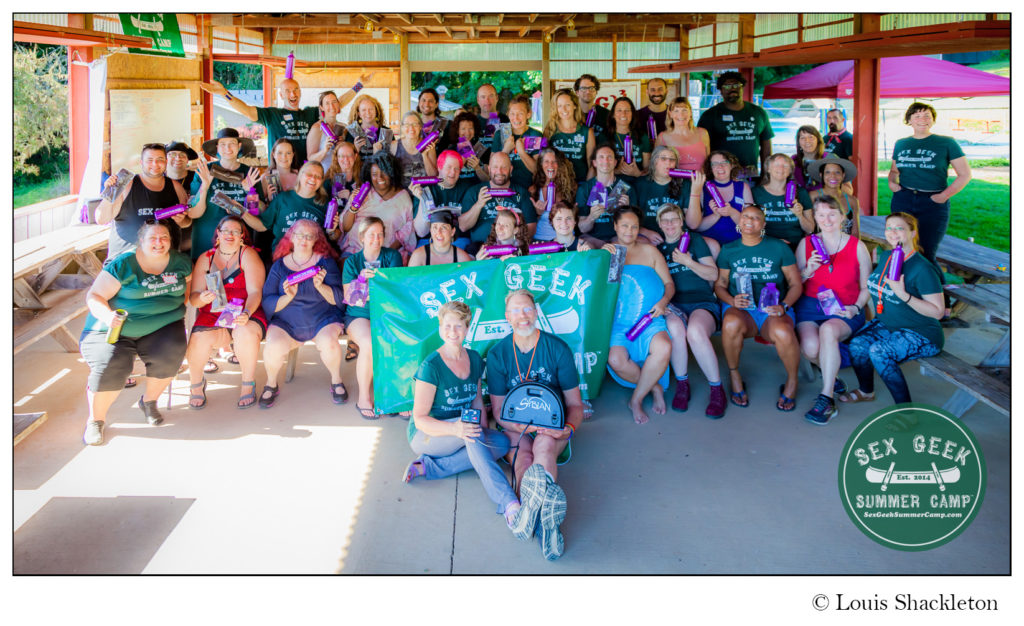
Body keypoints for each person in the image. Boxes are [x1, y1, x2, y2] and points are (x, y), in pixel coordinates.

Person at [403, 301, 523, 530]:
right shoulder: (431, 367)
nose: (452, 332)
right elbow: (420, 418)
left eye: (458, 326)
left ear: (467, 329)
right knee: (471, 432)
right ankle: (508, 503)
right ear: (440, 327)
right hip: (427, 434)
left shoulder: (475, 358)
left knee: (501, 443)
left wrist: (482, 429)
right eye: (447, 326)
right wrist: (455, 429)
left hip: (462, 427)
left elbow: (477, 400)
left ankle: (428, 468)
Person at [486, 289, 584, 560]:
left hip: (552, 425)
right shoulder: (498, 354)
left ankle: (535, 521)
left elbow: (576, 406)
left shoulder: (557, 349)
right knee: (522, 456)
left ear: (536, 311)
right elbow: (498, 411)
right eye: (516, 311)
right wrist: (525, 428)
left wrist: (569, 428)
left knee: (543, 446)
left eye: (527, 309)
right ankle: (543, 523)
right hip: (515, 425)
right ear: (507, 317)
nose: (523, 316)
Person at [79, 220, 192, 445]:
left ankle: (149, 402)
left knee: (172, 351)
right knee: (111, 362)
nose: (159, 243)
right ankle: (96, 420)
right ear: (140, 241)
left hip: (162, 325)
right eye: (152, 238)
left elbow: (185, 295)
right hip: (113, 328)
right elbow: (94, 297)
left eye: (164, 238)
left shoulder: (182, 263)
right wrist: (107, 316)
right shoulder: (124, 264)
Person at [840, 212, 945, 406]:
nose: (892, 233)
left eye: (899, 228)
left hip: (921, 333)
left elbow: (938, 312)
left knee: (879, 352)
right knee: (857, 344)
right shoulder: (888, 256)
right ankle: (866, 391)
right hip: (889, 324)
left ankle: (905, 409)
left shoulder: (923, 269)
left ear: (913, 233)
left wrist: (903, 294)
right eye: (889, 228)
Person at [715, 205, 803, 411]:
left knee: (782, 330)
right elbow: (719, 284)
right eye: (745, 216)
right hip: (742, 310)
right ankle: (734, 374)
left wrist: (784, 306)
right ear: (739, 221)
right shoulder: (728, 249)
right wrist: (731, 300)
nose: (749, 221)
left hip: (773, 310)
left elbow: (796, 283)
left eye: (755, 218)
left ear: (763, 225)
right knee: (730, 323)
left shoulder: (779, 248)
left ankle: (792, 380)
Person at [794, 196, 871, 424]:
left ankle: (826, 397)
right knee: (810, 348)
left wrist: (856, 307)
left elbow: (867, 287)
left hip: (845, 308)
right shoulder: (806, 244)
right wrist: (808, 270)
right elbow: (795, 282)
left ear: (841, 217)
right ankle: (832, 372)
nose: (826, 219)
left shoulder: (857, 246)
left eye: (831, 214)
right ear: (815, 218)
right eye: (821, 215)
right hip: (810, 306)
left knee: (828, 331)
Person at [259, 220, 347, 409]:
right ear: (291, 236)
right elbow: (267, 300)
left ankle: (336, 380)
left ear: (316, 239)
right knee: (273, 346)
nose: (304, 240)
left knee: (330, 344)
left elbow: (339, 299)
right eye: (300, 235)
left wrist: (320, 287)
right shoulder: (279, 266)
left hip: (322, 319)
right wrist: (286, 297)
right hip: (286, 322)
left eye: (309, 236)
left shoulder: (325, 263)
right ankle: (271, 383)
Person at [185, 215, 268, 410]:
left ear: (242, 236)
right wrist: (202, 298)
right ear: (218, 235)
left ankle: (248, 382)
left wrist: (247, 312)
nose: (230, 234)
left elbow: (256, 292)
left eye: (235, 231)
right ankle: (196, 384)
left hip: (246, 310)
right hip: (213, 314)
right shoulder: (205, 258)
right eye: (226, 231)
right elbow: (194, 298)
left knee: (245, 332)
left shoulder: (247, 255)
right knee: (198, 339)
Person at [200, 72, 366, 164]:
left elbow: (335, 104)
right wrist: (225, 94)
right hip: (280, 171)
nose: (292, 94)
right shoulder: (272, 115)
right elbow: (247, 111)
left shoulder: (310, 113)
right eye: (287, 91)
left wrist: (358, 85)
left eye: (296, 89)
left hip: (305, 171)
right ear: (281, 94)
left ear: (300, 91)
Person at [655, 204, 726, 418]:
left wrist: (688, 261)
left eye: (674, 219)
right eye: (665, 220)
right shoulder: (658, 250)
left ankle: (716, 389)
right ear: (659, 224)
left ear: (681, 221)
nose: (669, 224)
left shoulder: (694, 241)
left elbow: (713, 275)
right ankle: (683, 384)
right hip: (674, 304)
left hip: (702, 302)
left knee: (695, 331)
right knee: (676, 329)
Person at [605, 207, 674, 424]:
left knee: (663, 347)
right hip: (619, 322)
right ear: (615, 226)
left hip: (649, 320)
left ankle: (636, 399)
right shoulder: (608, 254)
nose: (629, 230)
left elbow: (669, 284)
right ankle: (654, 386)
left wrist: (663, 302)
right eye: (624, 225)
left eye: (634, 226)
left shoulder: (651, 252)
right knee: (615, 359)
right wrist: (600, 258)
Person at [887, 102, 971, 270]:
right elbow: (894, 170)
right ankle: (903, 290)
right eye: (917, 116)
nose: (922, 119)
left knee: (926, 253)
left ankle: (937, 294)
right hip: (903, 199)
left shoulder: (946, 142)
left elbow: (965, 174)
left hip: (932, 202)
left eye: (927, 115)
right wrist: (892, 182)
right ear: (909, 120)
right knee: (901, 249)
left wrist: (943, 196)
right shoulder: (901, 143)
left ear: (933, 120)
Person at [342, 217, 404, 419]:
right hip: (359, 315)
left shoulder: (392, 256)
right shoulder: (352, 262)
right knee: (369, 344)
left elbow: (395, 291)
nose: (376, 239)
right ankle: (363, 398)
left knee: (398, 340)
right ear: (361, 238)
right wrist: (361, 280)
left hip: (387, 312)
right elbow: (350, 299)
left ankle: (394, 397)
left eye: (380, 234)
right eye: (371, 235)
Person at [96, 143, 191, 261]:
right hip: (127, 262)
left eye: (159, 159)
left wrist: (182, 220)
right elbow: (101, 219)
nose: (155, 164)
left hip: (164, 262)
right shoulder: (126, 185)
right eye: (149, 160)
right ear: (141, 163)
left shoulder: (176, 188)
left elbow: (186, 222)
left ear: (166, 162)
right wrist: (110, 191)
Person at [187, 128, 265, 262]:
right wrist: (205, 185)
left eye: (232, 143)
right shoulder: (205, 171)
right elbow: (193, 213)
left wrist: (249, 191)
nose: (227, 148)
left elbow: (259, 211)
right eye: (222, 144)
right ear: (217, 148)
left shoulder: (249, 173)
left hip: (239, 243)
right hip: (206, 242)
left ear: (239, 146)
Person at [339, 152, 416, 261]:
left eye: (384, 172)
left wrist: (383, 255)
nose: (379, 177)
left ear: (392, 172)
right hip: (356, 252)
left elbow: (406, 232)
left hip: (387, 255)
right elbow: (346, 227)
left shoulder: (403, 197)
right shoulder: (362, 193)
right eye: (374, 174)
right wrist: (353, 207)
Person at [253, 161, 340, 256]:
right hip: (284, 255)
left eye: (318, 176)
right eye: (309, 174)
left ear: (321, 181)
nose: (313, 179)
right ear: (300, 175)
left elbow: (334, 238)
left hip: (313, 257)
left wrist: (331, 232)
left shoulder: (326, 204)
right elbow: (261, 226)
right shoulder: (282, 198)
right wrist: (241, 212)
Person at [697, 71, 773, 178]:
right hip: (720, 175)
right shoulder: (709, 116)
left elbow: (766, 148)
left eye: (736, 85)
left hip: (750, 174)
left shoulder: (758, 113)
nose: (732, 88)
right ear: (721, 90)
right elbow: (701, 150)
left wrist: (766, 175)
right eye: (727, 86)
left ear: (742, 87)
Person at [460, 151, 537, 253]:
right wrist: (478, 205)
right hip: (480, 249)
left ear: (511, 170)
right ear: (489, 169)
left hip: (512, 249)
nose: (499, 171)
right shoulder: (474, 191)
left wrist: (512, 244)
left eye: (504, 167)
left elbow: (531, 227)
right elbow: (463, 226)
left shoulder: (521, 193)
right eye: (495, 167)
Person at [635, 145, 703, 243]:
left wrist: (695, 193)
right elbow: (629, 218)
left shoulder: (685, 184)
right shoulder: (639, 184)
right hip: (648, 237)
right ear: (654, 162)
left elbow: (693, 224)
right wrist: (646, 232)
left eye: (672, 159)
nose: (668, 163)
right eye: (663, 159)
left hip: (678, 236)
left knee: (712, 246)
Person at [410, 150, 475, 248]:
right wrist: (422, 199)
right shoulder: (425, 188)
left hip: (458, 241)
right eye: (449, 167)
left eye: (457, 169)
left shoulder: (467, 187)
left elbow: (465, 226)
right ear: (439, 167)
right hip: (430, 241)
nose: (453, 172)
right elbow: (421, 232)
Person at [575, 144, 638, 242]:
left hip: (619, 239)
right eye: (601, 157)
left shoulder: (627, 188)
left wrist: (626, 210)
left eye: (609, 157)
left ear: (615, 163)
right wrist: (591, 217)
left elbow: (635, 227)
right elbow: (582, 229)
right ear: (594, 163)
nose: (606, 161)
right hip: (592, 239)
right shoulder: (584, 189)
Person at [753, 153, 814, 250]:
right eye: (776, 165)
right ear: (768, 169)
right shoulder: (755, 193)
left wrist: (800, 215)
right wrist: (772, 241)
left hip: (796, 246)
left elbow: (810, 229)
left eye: (785, 165)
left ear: (790, 171)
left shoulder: (801, 193)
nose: (781, 168)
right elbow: (747, 228)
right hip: (765, 245)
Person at [692, 150, 753, 246]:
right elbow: (696, 227)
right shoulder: (702, 188)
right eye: (715, 164)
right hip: (710, 246)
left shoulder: (743, 187)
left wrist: (732, 212)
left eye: (724, 162)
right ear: (711, 168)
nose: (720, 167)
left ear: (731, 165)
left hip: (738, 244)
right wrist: (716, 215)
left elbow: (751, 224)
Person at [543, 88, 596, 183]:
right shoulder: (550, 129)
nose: (563, 109)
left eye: (567, 105)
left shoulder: (587, 132)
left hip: (580, 183)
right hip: (556, 184)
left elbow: (592, 165)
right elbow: (543, 161)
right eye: (559, 106)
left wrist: (586, 188)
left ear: (574, 105)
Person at [491, 94, 542, 189]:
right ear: (508, 114)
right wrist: (505, 150)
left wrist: (522, 152)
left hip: (528, 188)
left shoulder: (534, 135)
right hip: (504, 188)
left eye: (520, 114)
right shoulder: (500, 134)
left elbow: (537, 170)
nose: (516, 118)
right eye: (512, 114)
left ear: (528, 114)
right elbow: (491, 169)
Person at [528, 147, 577, 242]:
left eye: (554, 161)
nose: (550, 165)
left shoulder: (571, 188)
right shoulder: (534, 190)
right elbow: (529, 222)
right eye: (546, 161)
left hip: (566, 240)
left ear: (560, 165)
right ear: (541, 165)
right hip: (542, 239)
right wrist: (538, 213)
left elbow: (576, 218)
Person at [808, 154, 861, 238]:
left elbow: (855, 233)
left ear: (843, 175)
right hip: (820, 248)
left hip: (845, 247)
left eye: (837, 172)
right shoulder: (813, 196)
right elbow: (808, 229)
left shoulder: (852, 201)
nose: (832, 176)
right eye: (827, 172)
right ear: (821, 175)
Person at [604, 96, 651, 183]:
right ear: (613, 114)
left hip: (638, 183)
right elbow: (597, 168)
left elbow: (648, 169)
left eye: (627, 110)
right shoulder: (604, 136)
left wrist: (637, 173)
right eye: (619, 110)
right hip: (612, 184)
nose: (623, 114)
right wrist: (616, 171)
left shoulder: (642, 137)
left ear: (632, 114)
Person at [656, 97, 710, 172]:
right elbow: (657, 166)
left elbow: (709, 164)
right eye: (676, 111)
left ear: (690, 113)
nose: (681, 115)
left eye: (684, 110)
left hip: (701, 182)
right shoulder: (662, 137)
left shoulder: (703, 133)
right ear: (670, 114)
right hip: (675, 183)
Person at [408, 210, 473, 267]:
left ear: (452, 232)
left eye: (444, 228)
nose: (439, 233)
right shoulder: (418, 256)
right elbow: (410, 280)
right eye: (435, 227)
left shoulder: (462, 258)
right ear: (430, 230)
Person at [305, 90, 350, 171]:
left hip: (340, 175)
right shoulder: (317, 128)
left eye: (334, 102)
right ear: (322, 107)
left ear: (338, 104)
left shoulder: (344, 127)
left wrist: (342, 146)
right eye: (327, 103)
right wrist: (324, 150)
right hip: (323, 176)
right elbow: (310, 159)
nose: (332, 106)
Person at [390, 110, 439, 182]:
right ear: (402, 127)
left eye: (415, 124)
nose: (411, 128)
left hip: (423, 190)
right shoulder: (394, 145)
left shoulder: (428, 145)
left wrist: (424, 155)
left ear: (420, 127)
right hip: (402, 191)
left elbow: (433, 175)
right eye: (407, 124)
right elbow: (389, 175)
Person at [447, 111, 490, 182]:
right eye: (463, 129)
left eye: (470, 128)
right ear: (457, 131)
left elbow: (488, 180)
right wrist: (460, 164)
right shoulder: (451, 151)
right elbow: (448, 180)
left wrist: (477, 168)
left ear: (475, 129)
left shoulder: (481, 148)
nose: (467, 132)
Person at [347, 93, 394, 158]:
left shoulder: (387, 133)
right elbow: (347, 162)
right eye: (363, 110)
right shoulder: (351, 134)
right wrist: (356, 150)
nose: (368, 113)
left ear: (376, 111)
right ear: (359, 114)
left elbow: (393, 160)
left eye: (371, 109)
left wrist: (379, 154)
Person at [262, 138, 300, 203]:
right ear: (273, 154)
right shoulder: (265, 177)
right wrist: (268, 199)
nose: (284, 157)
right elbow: (261, 208)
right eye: (279, 153)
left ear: (293, 155)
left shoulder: (300, 175)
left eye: (288, 153)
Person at [575, 73, 610, 137]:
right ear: (577, 92)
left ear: (596, 92)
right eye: (583, 88)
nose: (588, 91)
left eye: (591, 88)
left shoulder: (606, 114)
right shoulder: (571, 114)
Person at [792, 125, 825, 192]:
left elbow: (847, 189)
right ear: (798, 142)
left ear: (818, 140)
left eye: (811, 137)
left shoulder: (830, 159)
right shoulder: (793, 161)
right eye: (802, 138)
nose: (807, 141)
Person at [416, 87, 450, 152]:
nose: (426, 104)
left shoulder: (446, 124)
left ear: (436, 104)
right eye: (423, 100)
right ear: (419, 103)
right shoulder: (413, 125)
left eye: (430, 101)